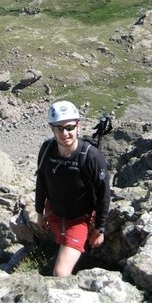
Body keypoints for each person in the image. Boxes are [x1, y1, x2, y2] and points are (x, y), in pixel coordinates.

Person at [35, 100, 110, 277]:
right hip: (54, 212)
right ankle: (71, 252)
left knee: (60, 273)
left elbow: (103, 195)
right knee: (61, 245)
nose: (65, 133)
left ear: (78, 126)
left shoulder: (92, 157)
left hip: (79, 220)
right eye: (59, 128)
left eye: (69, 127)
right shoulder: (47, 149)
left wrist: (99, 228)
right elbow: (41, 180)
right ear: (51, 129)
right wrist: (39, 212)